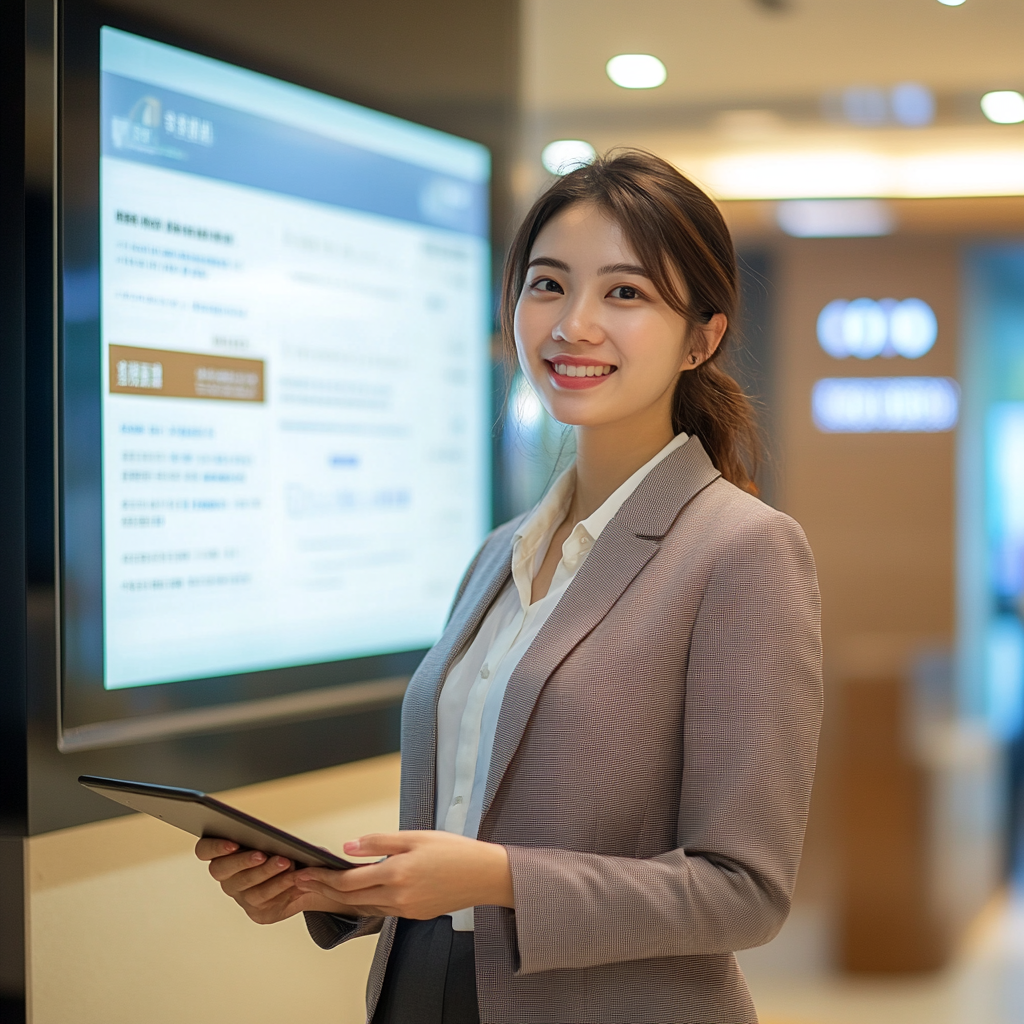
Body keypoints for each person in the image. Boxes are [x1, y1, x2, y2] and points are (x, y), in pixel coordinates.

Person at [196, 149, 823, 1024]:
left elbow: (744, 891)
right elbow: (461, 829)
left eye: (626, 293)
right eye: (547, 285)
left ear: (703, 337)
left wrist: (497, 877)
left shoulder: (743, 551)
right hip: (429, 993)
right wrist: (334, 890)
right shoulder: (499, 553)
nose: (574, 325)